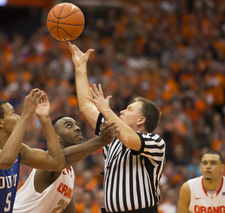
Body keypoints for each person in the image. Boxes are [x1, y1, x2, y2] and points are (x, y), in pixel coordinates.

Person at [68, 42, 166, 213]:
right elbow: (85, 106)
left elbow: (129, 139)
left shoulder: (156, 142)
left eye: (129, 109)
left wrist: (106, 109)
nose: (121, 111)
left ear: (141, 120)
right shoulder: (112, 137)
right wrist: (80, 67)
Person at [0, 88, 67, 213]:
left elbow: (57, 162)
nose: (17, 117)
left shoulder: (19, 150)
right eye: (12, 113)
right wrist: (26, 114)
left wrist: (45, 118)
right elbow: (6, 160)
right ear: (0, 123)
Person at [13, 116, 118, 213]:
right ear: (56, 137)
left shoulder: (70, 173)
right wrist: (100, 141)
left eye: (76, 124)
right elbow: (62, 159)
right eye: (69, 125)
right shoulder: (48, 161)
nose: (77, 128)